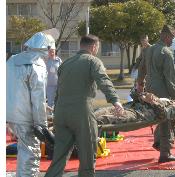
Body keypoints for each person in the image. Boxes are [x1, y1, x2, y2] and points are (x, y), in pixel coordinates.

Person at [45, 35, 124, 177]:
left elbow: (58, 90)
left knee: (59, 155)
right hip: (81, 112)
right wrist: (115, 100)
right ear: (93, 47)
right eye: (97, 47)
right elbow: (103, 81)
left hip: (61, 113)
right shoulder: (93, 61)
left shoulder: (65, 63)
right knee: (87, 152)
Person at [6, 29, 57, 177]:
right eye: (51, 51)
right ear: (45, 48)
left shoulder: (12, 60)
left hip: (11, 115)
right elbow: (38, 98)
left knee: (23, 149)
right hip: (26, 118)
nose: (50, 55)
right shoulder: (37, 65)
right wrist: (42, 126)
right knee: (31, 152)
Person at [136, 25, 175, 163]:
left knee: (157, 117)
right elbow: (170, 79)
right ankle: (165, 153)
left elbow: (141, 68)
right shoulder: (166, 52)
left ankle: (158, 142)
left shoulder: (149, 49)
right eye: (172, 37)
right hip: (163, 92)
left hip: (150, 90)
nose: (173, 40)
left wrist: (140, 84)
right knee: (167, 120)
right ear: (166, 36)